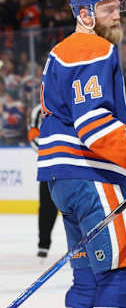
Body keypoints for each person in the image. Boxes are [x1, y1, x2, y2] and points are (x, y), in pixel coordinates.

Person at [36, 0, 126, 308]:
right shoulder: (95, 49)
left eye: (117, 7)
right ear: (85, 14)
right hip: (92, 175)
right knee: (119, 278)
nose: (117, 16)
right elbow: (93, 125)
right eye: (107, 9)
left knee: (88, 281)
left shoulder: (60, 50)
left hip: (63, 179)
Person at [27, 103, 58, 259]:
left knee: (76, 206)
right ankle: (43, 245)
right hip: (49, 164)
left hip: (73, 163)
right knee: (47, 207)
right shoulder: (39, 110)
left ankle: (82, 247)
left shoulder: (71, 100)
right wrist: (54, 149)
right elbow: (33, 135)